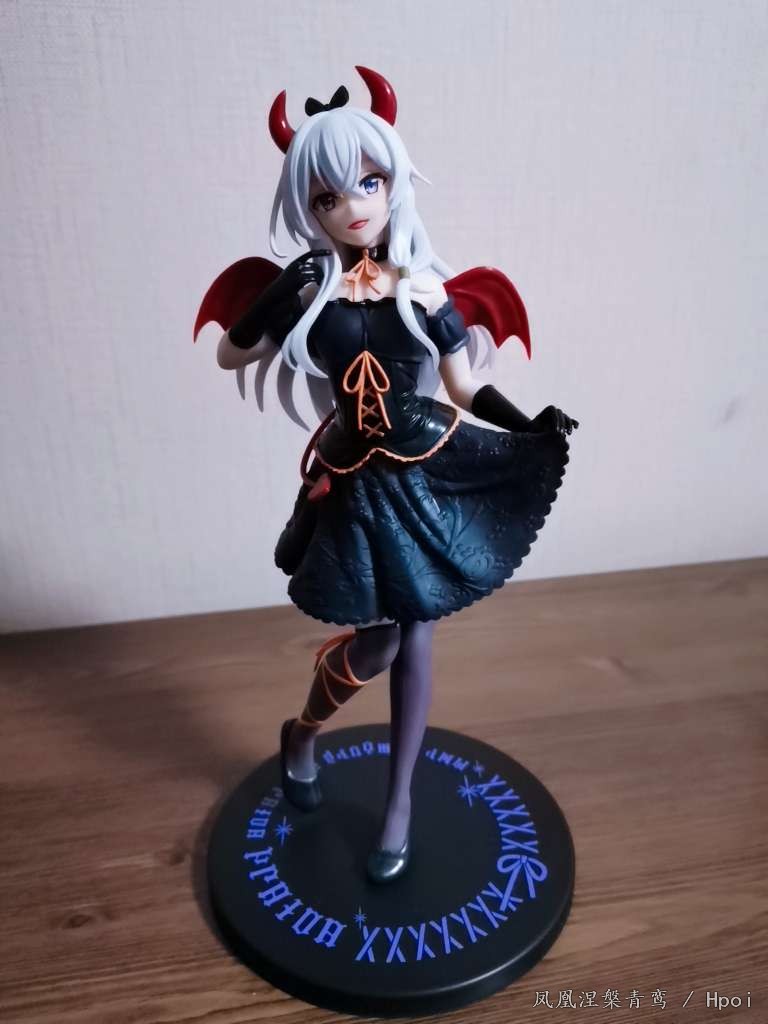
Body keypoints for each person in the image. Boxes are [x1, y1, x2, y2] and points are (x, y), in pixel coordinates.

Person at [196, 67, 578, 884]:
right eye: (329, 195)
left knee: (420, 635)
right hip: (350, 480)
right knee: (378, 641)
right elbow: (230, 352)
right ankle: (304, 732)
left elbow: (461, 387)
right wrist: (278, 294)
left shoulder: (423, 287)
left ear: (394, 179)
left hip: (425, 468)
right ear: (310, 206)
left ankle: (398, 805)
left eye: (368, 183)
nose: (353, 205)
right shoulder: (310, 289)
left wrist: (528, 424)